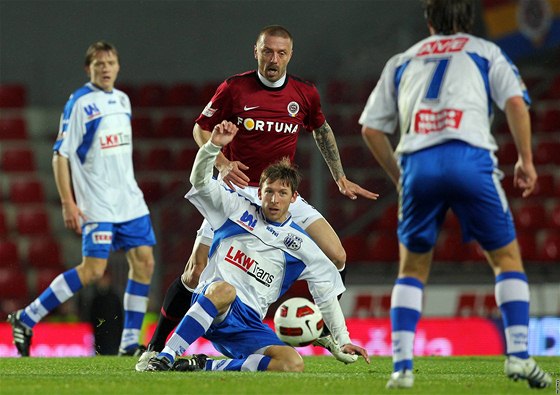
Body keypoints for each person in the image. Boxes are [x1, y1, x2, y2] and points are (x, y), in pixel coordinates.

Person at [140, 25, 378, 364]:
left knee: (336, 256)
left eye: (281, 53)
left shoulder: (304, 93)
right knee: (194, 273)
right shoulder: (235, 88)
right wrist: (221, 162)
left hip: (279, 193)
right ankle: (157, 347)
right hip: (237, 192)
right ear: (257, 51)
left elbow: (321, 129)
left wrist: (339, 176)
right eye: (268, 51)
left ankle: (322, 330)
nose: (274, 59)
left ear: (290, 55)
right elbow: (200, 127)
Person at [359, 0, 551, 390]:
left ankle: (402, 369)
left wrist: (400, 177)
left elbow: (370, 129)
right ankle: (518, 356)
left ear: (429, 21)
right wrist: (526, 161)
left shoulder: (403, 59)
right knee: (506, 259)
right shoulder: (484, 50)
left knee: (411, 269)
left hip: (417, 162)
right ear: (469, 20)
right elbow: (515, 102)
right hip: (468, 157)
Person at [140, 120, 370, 372]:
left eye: (282, 193)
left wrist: (344, 340)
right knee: (225, 290)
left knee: (292, 364)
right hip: (215, 301)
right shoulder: (234, 208)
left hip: (248, 323)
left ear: (294, 198)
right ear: (258, 193)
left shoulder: (304, 247)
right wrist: (212, 147)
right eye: (268, 192)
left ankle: (203, 366)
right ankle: (165, 355)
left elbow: (326, 296)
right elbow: (200, 181)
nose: (274, 199)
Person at [7, 41, 156, 357]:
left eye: (111, 62)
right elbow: (60, 155)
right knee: (91, 271)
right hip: (98, 202)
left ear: (117, 66)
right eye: (99, 64)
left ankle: (130, 342)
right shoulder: (80, 103)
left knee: (144, 262)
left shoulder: (123, 100)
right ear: (88, 69)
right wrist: (67, 202)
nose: (105, 68)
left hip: (129, 200)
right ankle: (27, 317)